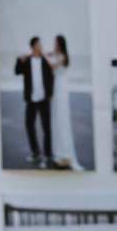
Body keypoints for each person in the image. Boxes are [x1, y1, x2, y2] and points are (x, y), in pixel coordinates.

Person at [15, 37, 54, 166]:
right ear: (33, 46)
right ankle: (36, 151)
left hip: (44, 99)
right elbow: (17, 71)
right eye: (38, 44)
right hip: (31, 99)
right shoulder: (27, 61)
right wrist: (19, 60)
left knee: (46, 128)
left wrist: (49, 93)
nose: (41, 46)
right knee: (29, 124)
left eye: (41, 44)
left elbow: (51, 76)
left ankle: (47, 155)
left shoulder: (45, 60)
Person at [48, 36, 84, 171]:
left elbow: (52, 65)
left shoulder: (62, 56)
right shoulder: (57, 55)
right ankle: (59, 152)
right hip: (56, 86)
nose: (54, 45)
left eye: (56, 43)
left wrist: (46, 55)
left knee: (62, 117)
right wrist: (50, 54)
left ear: (60, 44)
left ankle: (65, 154)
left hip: (61, 86)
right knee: (56, 118)